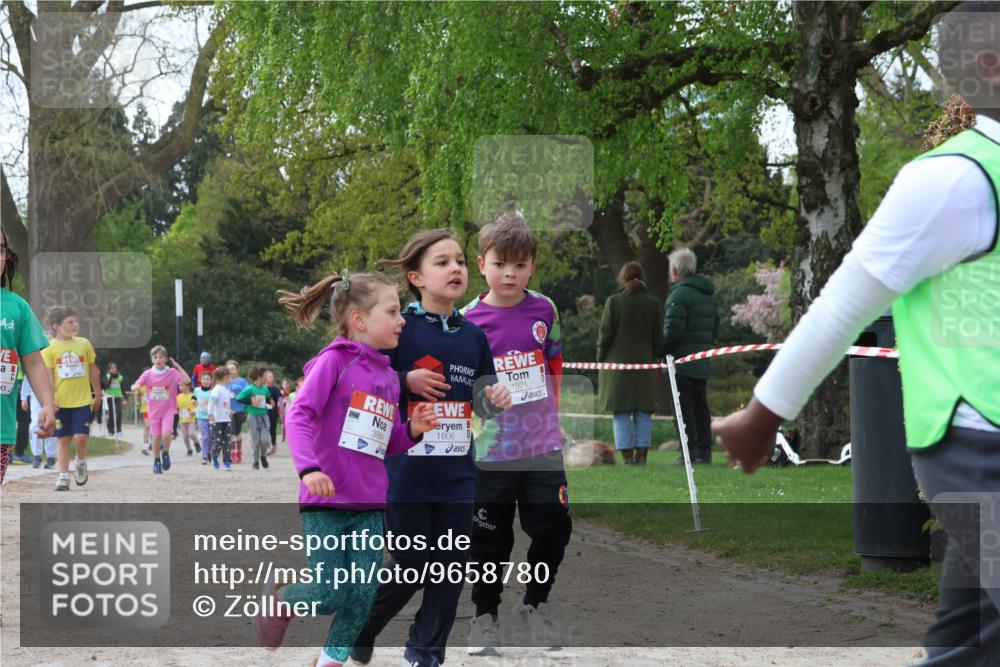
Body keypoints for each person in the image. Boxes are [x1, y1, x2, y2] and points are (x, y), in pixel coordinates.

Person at [713, 5, 1000, 665]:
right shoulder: (950, 181)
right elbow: (842, 303)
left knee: (972, 639)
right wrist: (764, 414)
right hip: (975, 440)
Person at [256, 269, 439, 667]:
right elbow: (299, 415)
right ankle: (284, 599)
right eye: (392, 311)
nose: (402, 319)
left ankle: (330, 662)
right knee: (330, 593)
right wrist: (308, 470)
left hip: (371, 507)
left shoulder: (391, 379)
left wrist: (414, 431)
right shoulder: (333, 363)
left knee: (361, 598)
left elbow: (384, 443)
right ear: (360, 320)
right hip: (325, 503)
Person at [350, 230, 511, 667]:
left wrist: (492, 401)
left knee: (452, 565)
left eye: (460, 260)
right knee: (413, 564)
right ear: (415, 276)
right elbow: (359, 379)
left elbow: (481, 399)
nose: (456, 268)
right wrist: (404, 381)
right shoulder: (399, 326)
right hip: (406, 468)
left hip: (458, 468)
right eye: (442, 262)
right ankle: (361, 625)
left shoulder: (474, 337)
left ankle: (425, 652)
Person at [461, 212, 571, 653]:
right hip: (491, 452)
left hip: (542, 446)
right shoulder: (467, 319)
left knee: (553, 529)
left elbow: (555, 366)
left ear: (533, 266)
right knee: (490, 539)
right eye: (501, 263)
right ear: (481, 263)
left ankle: (536, 603)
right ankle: (484, 615)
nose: (511, 273)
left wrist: (553, 418)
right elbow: (462, 384)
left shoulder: (545, 309)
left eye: (521, 265)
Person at [0, 229, 56, 483]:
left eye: (0, 249)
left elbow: (33, 362)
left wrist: (46, 404)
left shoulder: (17, 307)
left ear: (7, 257)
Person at [597, 261, 665, 466]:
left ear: (622, 278)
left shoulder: (614, 302)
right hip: (645, 366)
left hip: (617, 368)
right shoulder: (654, 304)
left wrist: (600, 357)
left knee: (621, 411)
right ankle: (642, 457)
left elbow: (605, 334)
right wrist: (655, 357)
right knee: (644, 410)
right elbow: (658, 339)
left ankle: (627, 458)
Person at [663, 247, 718, 465]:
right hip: (701, 358)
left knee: (682, 408)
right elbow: (715, 326)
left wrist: (661, 350)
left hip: (681, 361)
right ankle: (704, 452)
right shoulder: (708, 294)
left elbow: (673, 332)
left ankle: (688, 452)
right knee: (700, 406)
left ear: (676, 270)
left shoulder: (679, 294)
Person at [41, 306, 101, 491]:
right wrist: (50, 401)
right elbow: (48, 376)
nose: (74, 325)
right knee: (64, 439)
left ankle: (81, 462)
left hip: (82, 400)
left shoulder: (84, 344)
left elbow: (93, 371)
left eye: (75, 321)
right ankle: (63, 476)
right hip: (61, 403)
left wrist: (97, 394)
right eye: (70, 322)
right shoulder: (49, 349)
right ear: (57, 326)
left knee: (81, 437)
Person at [131, 346, 190, 474]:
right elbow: (138, 383)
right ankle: (156, 460)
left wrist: (177, 366)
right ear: (152, 359)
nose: (158, 360)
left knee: (167, 434)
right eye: (155, 357)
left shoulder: (172, 373)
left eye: (161, 357)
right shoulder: (148, 374)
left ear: (166, 359)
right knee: (156, 437)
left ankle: (166, 453)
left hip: (168, 410)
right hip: (153, 412)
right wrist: (134, 387)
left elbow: (187, 380)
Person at [236, 365, 273, 470]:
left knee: (265, 440)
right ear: (258, 377)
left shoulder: (265, 389)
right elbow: (239, 398)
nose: (267, 378)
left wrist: (271, 401)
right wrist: (250, 401)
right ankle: (255, 461)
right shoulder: (250, 389)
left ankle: (263, 456)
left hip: (264, 417)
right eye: (265, 376)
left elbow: (268, 398)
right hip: (252, 417)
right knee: (255, 441)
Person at [21, 375, 56, 468]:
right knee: (36, 424)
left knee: (51, 422)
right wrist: (24, 397)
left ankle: (51, 457)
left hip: (53, 394)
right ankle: (37, 455)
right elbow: (29, 375)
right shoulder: (34, 360)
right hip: (36, 395)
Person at [208, 366, 233, 471]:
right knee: (218, 442)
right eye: (230, 377)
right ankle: (214, 456)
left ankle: (227, 461)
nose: (231, 379)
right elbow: (212, 402)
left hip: (226, 420)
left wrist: (229, 411)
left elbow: (226, 404)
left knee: (227, 441)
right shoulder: (217, 389)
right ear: (225, 377)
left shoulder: (226, 390)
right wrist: (210, 414)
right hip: (216, 420)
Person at [226, 360, 249, 463]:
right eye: (229, 369)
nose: (231, 371)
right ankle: (233, 453)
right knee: (232, 432)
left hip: (239, 409)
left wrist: (237, 388)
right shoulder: (225, 381)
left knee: (238, 432)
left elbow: (247, 391)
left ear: (237, 370)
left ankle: (239, 451)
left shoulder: (242, 381)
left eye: (233, 369)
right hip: (228, 410)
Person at [194, 371, 214, 465]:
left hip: (212, 417)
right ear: (200, 380)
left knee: (211, 437)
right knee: (205, 436)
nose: (205, 381)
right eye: (203, 379)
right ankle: (205, 455)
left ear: (211, 381)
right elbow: (193, 397)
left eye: (208, 379)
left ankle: (210, 452)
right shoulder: (197, 390)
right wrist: (193, 401)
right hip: (201, 417)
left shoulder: (213, 391)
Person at [176, 382, 200, 456]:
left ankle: (196, 443)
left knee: (191, 434)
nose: (180, 387)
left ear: (188, 386)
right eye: (179, 386)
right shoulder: (178, 396)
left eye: (181, 385)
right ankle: (189, 449)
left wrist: (194, 411)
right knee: (185, 436)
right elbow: (176, 407)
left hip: (191, 419)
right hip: (182, 419)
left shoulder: (193, 396)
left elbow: (198, 406)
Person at [103, 362, 126, 436]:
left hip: (118, 396)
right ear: (109, 369)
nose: (114, 369)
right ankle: (110, 429)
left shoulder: (120, 377)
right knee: (112, 413)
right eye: (112, 368)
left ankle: (119, 430)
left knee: (119, 412)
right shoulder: (108, 376)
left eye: (115, 367)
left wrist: (125, 397)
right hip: (110, 396)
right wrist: (111, 377)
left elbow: (122, 387)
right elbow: (107, 386)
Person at [264, 369, 282, 455]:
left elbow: (281, 398)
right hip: (262, 411)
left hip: (273, 413)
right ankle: (267, 447)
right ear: (265, 378)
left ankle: (273, 445)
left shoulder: (275, 389)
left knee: (272, 429)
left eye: (272, 377)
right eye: (270, 377)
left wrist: (281, 409)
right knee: (264, 429)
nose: (272, 378)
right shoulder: (262, 388)